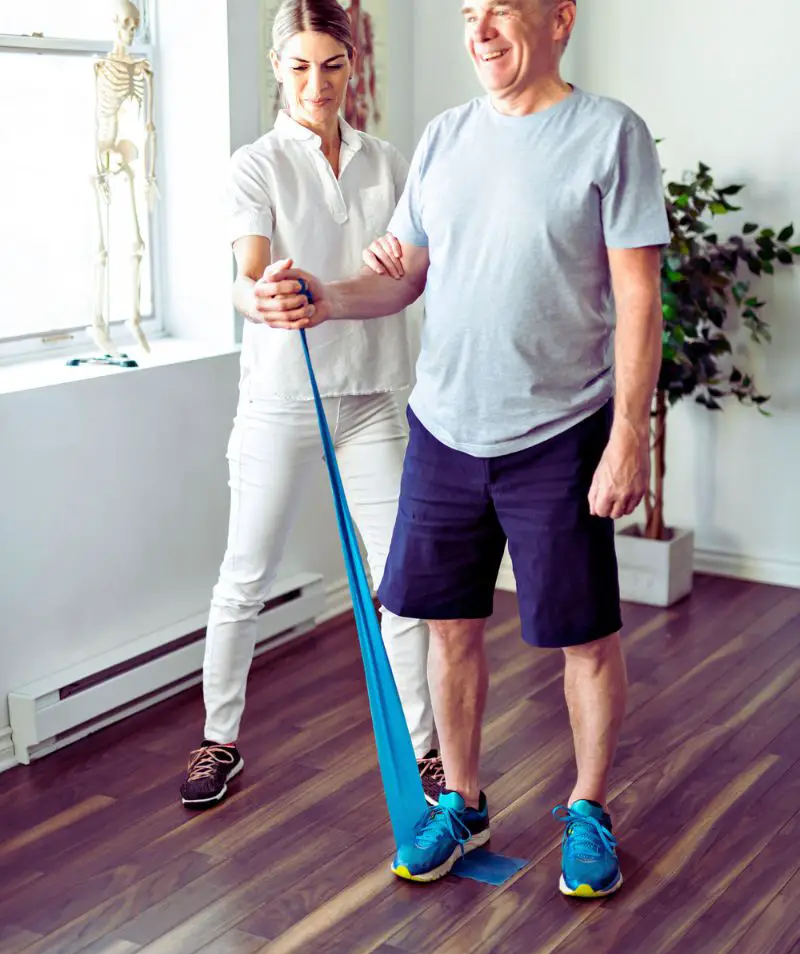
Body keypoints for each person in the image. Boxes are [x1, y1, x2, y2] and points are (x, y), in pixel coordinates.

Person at [258, 0, 669, 896]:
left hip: (559, 433)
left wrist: (628, 433)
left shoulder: (609, 134)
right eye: (468, 14)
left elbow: (639, 297)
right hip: (443, 429)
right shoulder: (444, 139)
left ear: (558, 19)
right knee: (449, 628)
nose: (480, 31)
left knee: (584, 638)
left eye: (501, 12)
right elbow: (400, 273)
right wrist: (325, 296)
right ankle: (467, 800)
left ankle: (590, 809)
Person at [179, 0, 445, 811]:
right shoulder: (254, 164)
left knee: (399, 581)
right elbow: (248, 270)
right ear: (276, 66)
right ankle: (218, 742)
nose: (316, 83)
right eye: (299, 65)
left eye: (331, 64)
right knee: (243, 579)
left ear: (351, 64)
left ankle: (428, 751)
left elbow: (410, 271)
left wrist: (392, 260)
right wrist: (258, 296)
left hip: (373, 398)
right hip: (283, 401)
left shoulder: (388, 162)